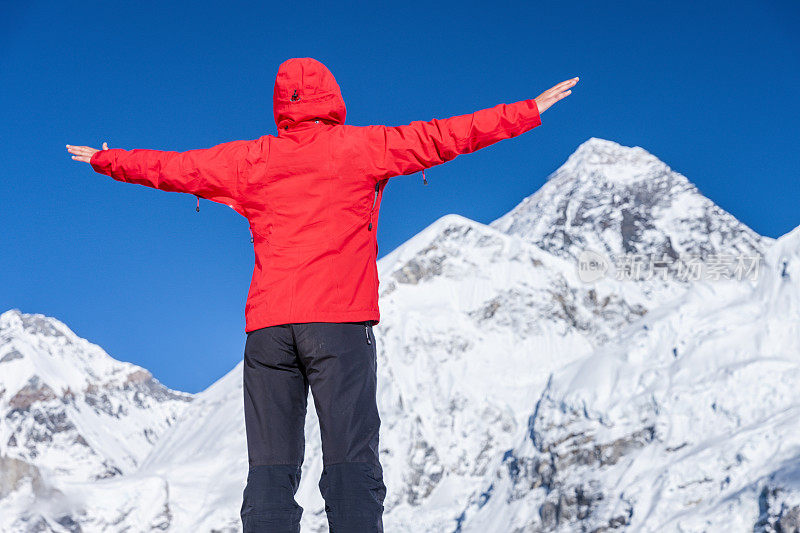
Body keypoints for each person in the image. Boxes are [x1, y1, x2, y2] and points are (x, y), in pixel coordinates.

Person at [67, 57, 577, 533]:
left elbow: (178, 168)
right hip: (338, 327)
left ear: (281, 106)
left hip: (268, 333)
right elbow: (447, 136)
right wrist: (526, 111)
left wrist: (111, 160)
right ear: (332, 98)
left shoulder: (251, 160)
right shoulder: (365, 147)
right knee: (350, 465)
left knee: (270, 472)